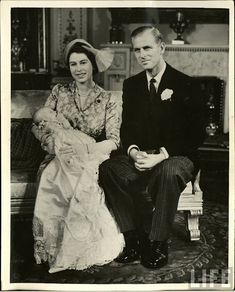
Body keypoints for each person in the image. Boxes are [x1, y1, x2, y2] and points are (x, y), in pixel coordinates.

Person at [99, 26, 205, 269]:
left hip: (177, 155)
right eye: (137, 50)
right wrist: (135, 151)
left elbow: (196, 134)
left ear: (162, 48)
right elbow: (128, 128)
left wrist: (162, 155)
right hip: (144, 154)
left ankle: (157, 242)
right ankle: (133, 237)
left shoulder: (185, 83)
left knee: (169, 171)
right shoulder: (132, 85)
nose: (142, 54)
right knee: (108, 169)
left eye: (147, 47)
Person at [31, 39, 124, 273]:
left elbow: (114, 140)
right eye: (73, 64)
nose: (78, 68)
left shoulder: (108, 99)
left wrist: (83, 150)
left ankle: (81, 247)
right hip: (60, 154)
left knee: (81, 182)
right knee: (54, 173)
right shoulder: (59, 92)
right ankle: (55, 246)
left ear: (93, 65)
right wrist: (50, 142)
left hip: (92, 154)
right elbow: (39, 124)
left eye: (83, 62)